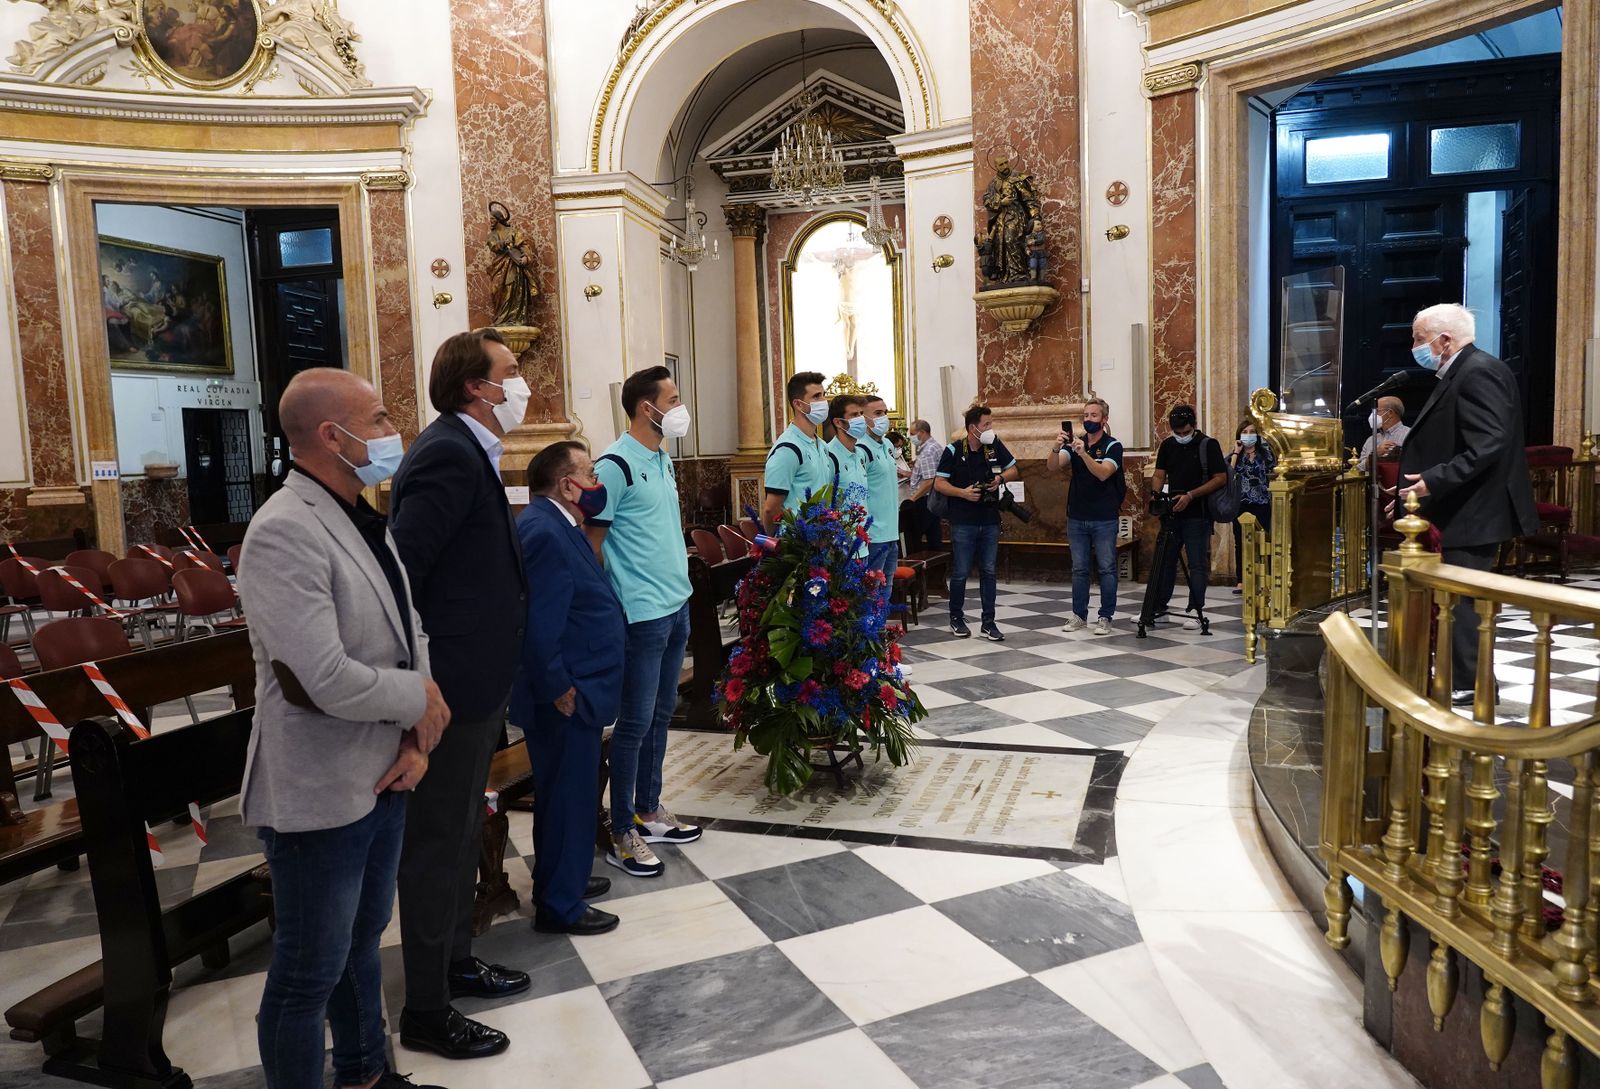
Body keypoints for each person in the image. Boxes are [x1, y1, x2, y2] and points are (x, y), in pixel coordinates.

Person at [240, 368, 450, 1089]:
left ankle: (365, 1073)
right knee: (308, 970)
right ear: (333, 435)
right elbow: (318, 675)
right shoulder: (282, 530)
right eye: (381, 416)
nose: (395, 429)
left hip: (384, 766)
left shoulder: (362, 512)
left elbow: (406, 627)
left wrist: (417, 735)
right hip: (319, 786)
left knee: (360, 944)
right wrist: (416, 698)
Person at [389, 329, 530, 1061]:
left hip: (477, 679)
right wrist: (425, 682)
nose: (520, 382)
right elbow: (404, 574)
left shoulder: (470, 448)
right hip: (450, 684)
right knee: (437, 843)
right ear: (476, 386)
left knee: (459, 833)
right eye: (511, 371)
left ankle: (453, 962)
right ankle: (426, 1007)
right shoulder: (446, 451)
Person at [588, 366, 701, 881]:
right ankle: (621, 830)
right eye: (672, 399)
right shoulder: (614, 464)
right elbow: (592, 541)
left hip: (676, 602)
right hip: (640, 611)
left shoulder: (659, 457)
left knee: (662, 712)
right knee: (633, 723)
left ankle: (649, 809)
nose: (679, 408)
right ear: (644, 408)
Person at [511, 441, 626, 934]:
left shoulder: (558, 523)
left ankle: (564, 879)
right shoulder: (543, 530)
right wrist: (559, 685)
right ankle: (560, 904)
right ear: (566, 484)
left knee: (570, 795)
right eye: (590, 472)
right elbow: (539, 621)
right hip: (566, 694)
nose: (597, 481)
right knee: (567, 797)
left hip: (579, 686)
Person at [1398, 303, 1537, 705]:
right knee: (1456, 603)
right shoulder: (1461, 371)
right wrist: (1415, 494)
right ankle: (1467, 680)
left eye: (1419, 339)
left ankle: (1472, 686)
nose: (1414, 346)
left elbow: (1488, 444)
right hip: (1461, 508)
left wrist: (1431, 482)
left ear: (1445, 340)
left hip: (1476, 512)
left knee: (1464, 606)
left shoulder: (1479, 371)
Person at [935, 405, 1019, 641]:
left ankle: (988, 622)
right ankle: (956, 618)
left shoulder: (994, 446)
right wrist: (962, 493)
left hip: (990, 519)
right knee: (961, 571)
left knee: (989, 571)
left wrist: (999, 479)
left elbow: (1014, 469)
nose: (990, 428)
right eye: (986, 425)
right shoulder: (953, 450)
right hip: (963, 521)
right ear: (973, 428)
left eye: (991, 424)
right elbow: (939, 483)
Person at [1150, 404, 1227, 630]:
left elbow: (1220, 477)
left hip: (1198, 514)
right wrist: (1156, 496)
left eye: (1185, 432)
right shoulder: (1167, 445)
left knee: (1197, 564)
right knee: (1165, 562)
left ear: (1194, 426)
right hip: (1173, 514)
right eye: (1177, 433)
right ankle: (1159, 609)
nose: (1181, 436)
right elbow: (1159, 473)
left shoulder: (1208, 445)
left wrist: (1191, 495)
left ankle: (1196, 611)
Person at [1054, 397, 1123, 636]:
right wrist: (1057, 447)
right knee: (1079, 569)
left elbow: (1104, 474)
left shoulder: (1113, 445)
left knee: (1106, 568)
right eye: (1085, 416)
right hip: (1077, 516)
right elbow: (1053, 466)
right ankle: (1079, 615)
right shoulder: (1076, 443)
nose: (1088, 420)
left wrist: (1083, 455)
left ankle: (1105, 617)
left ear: (1104, 419)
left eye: (1094, 416)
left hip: (1104, 516)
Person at [763, 371, 831, 533]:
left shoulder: (821, 445)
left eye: (823, 395)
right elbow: (771, 508)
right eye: (816, 397)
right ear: (798, 404)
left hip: (821, 541)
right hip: (796, 544)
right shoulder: (788, 449)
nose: (823, 401)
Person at [1230, 419, 1277, 592]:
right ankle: (1241, 580)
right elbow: (1228, 474)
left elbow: (1274, 472)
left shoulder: (1265, 454)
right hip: (1240, 504)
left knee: (1263, 541)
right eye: (1245, 432)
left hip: (1261, 503)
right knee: (1240, 542)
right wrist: (1236, 452)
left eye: (1252, 432)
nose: (1249, 435)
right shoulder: (1235, 455)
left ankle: (1266, 579)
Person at [825, 393, 871, 531]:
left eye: (861, 413)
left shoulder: (860, 454)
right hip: (842, 541)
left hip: (863, 539)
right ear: (838, 422)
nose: (861, 419)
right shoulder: (829, 456)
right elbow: (824, 503)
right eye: (854, 415)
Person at [907, 419, 943, 550]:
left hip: (925, 500)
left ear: (922, 432)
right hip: (933, 499)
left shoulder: (928, 451)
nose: (910, 437)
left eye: (912, 433)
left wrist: (912, 499)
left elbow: (929, 480)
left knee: (915, 537)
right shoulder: (934, 446)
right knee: (934, 535)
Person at [1358, 395, 1409, 471]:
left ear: (1390, 413)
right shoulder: (1370, 440)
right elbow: (1359, 469)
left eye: (1376, 411)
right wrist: (1374, 455)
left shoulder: (1410, 435)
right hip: (1372, 482)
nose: (1372, 416)